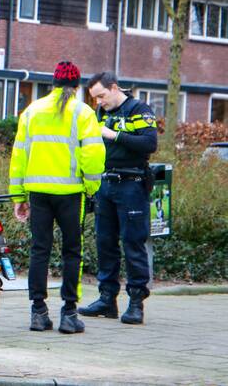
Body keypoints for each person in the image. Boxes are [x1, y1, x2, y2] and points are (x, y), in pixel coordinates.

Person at [10, 61, 105, 334]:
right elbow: (93, 154)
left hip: (38, 193)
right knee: (72, 251)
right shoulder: (83, 112)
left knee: (40, 250)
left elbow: (19, 154)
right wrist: (91, 186)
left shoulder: (32, 111)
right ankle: (69, 313)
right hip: (71, 194)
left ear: (52, 84)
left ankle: (38, 313)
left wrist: (19, 194)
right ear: (76, 87)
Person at [81, 72, 158, 325]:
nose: (99, 102)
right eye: (95, 98)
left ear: (114, 88)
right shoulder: (101, 113)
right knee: (105, 243)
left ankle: (136, 303)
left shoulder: (138, 109)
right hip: (106, 183)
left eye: (101, 96)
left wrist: (114, 136)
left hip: (132, 184)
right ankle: (107, 299)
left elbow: (149, 142)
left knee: (133, 244)